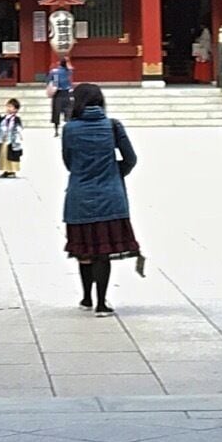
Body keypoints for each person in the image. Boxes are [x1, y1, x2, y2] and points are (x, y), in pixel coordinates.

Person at [60, 82, 142, 315]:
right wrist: (114, 173)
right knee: (102, 251)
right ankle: (102, 303)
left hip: (79, 196)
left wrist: (83, 173)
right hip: (110, 197)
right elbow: (131, 158)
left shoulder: (70, 129)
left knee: (83, 249)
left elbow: (69, 162)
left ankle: (86, 297)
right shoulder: (113, 126)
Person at [0, 96, 25, 177]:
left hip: (12, 140)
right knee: (4, 155)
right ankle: (6, 170)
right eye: (8, 106)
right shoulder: (4, 118)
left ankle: (12, 171)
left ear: (16, 109)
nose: (8, 108)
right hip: (4, 139)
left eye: (11, 107)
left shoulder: (16, 119)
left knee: (12, 155)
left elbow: (18, 128)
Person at [46, 57, 74, 135]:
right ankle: (69, 129)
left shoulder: (55, 72)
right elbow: (71, 68)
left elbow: (53, 82)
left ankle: (56, 130)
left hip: (58, 94)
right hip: (67, 93)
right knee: (68, 112)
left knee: (56, 112)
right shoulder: (68, 71)